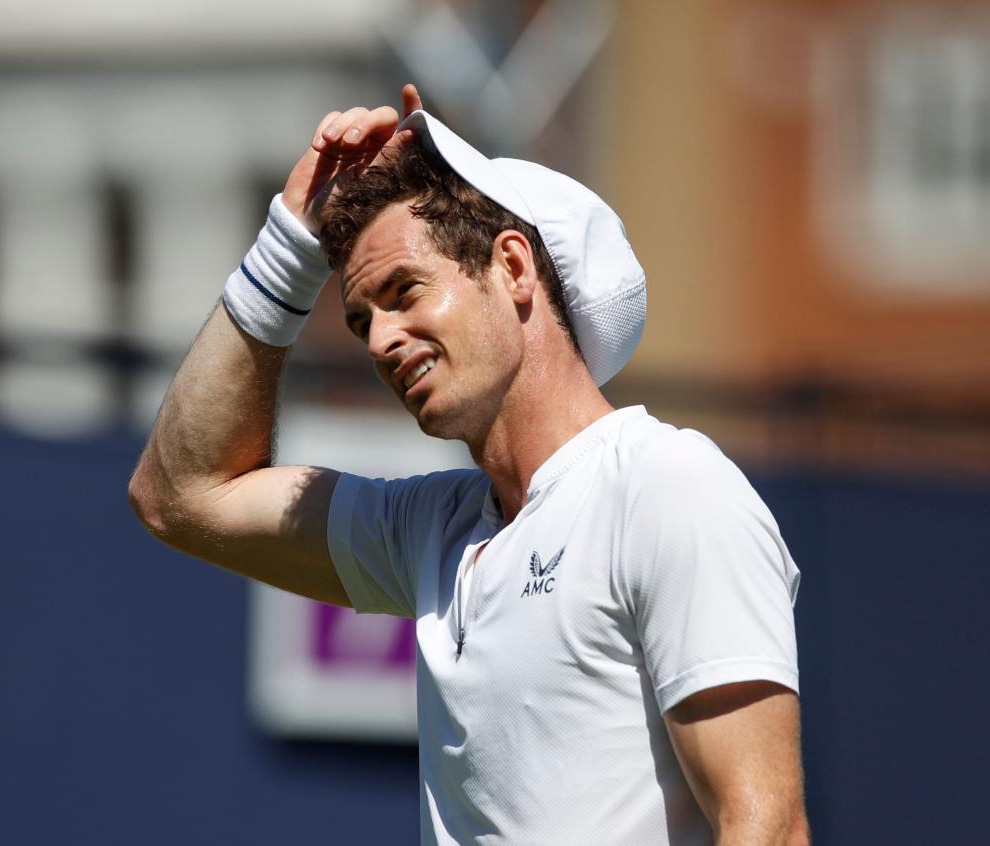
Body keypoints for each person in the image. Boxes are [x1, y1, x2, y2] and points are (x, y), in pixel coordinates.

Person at [128, 85, 808, 845]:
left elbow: (768, 827)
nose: (381, 340)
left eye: (404, 291)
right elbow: (179, 495)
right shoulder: (431, 532)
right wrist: (287, 246)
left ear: (513, 268)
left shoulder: (664, 485)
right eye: (362, 320)